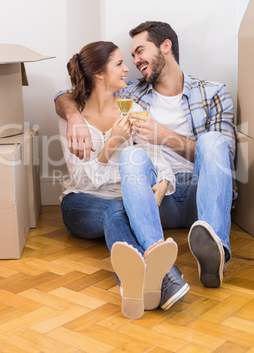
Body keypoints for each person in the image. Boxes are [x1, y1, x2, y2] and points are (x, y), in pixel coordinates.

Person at [55, 21, 236, 291]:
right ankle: (156, 258)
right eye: (125, 60)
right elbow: (71, 93)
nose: (134, 63)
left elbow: (224, 158)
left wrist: (164, 138)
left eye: (140, 51)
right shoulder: (130, 95)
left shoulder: (213, 92)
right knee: (131, 159)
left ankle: (213, 248)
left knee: (213, 140)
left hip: (201, 194)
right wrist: (72, 115)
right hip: (154, 199)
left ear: (166, 46)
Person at [58, 40, 180, 319]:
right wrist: (112, 144)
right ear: (99, 74)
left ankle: (133, 287)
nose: (127, 69)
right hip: (80, 203)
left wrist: (160, 184)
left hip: (125, 202)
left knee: (120, 208)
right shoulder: (72, 118)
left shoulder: (131, 108)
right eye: (119, 64)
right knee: (114, 209)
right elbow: (82, 180)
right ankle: (165, 278)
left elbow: (157, 161)